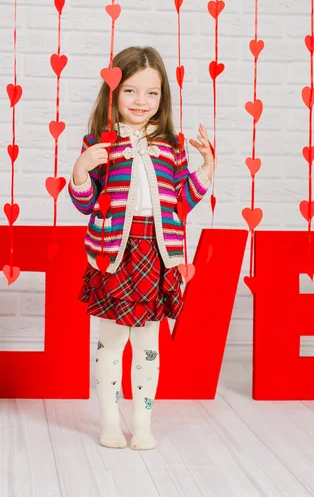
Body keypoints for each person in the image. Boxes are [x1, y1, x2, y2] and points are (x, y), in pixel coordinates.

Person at [68, 46, 214, 450]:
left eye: (152, 93)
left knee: (148, 344)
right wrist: (81, 169)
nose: (141, 102)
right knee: (110, 343)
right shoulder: (101, 142)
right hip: (113, 254)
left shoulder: (171, 146)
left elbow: (182, 201)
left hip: (158, 253)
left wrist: (206, 168)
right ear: (113, 92)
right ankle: (109, 422)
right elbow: (85, 202)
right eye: (131, 91)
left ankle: (143, 421)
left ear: (163, 97)